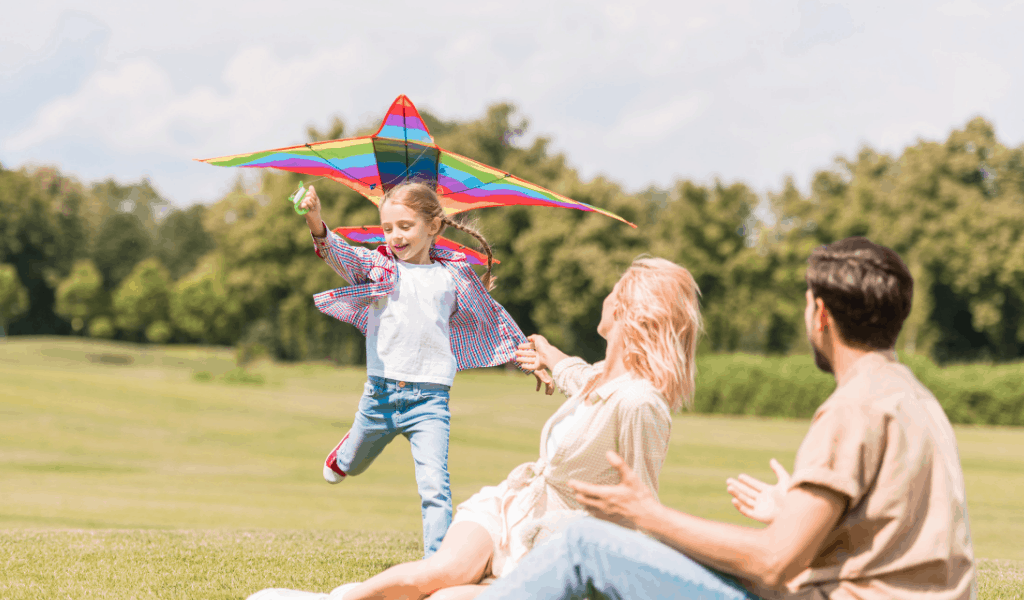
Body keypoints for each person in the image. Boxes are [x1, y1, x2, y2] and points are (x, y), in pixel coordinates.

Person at [474, 237, 976, 600]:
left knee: (585, 544)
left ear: (819, 314)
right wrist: (790, 511)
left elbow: (774, 562)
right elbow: (893, 542)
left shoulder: (853, 408)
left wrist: (649, 515)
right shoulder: (915, 398)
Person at [247, 256, 703, 600]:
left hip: (557, 539)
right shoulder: (608, 374)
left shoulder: (642, 403)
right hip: (512, 505)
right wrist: (545, 351)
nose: (605, 297)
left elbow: (644, 507)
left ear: (626, 311)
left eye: (613, 292)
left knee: (448, 598)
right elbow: (580, 378)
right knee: (438, 575)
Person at [297, 181, 552, 559]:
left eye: (405, 226)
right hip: (380, 397)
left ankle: (436, 562)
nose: (395, 236)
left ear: (433, 227)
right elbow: (341, 254)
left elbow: (492, 321)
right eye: (387, 228)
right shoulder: (379, 266)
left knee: (434, 485)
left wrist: (528, 359)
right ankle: (346, 452)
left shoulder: (454, 277)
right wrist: (316, 220)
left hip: (430, 402)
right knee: (352, 463)